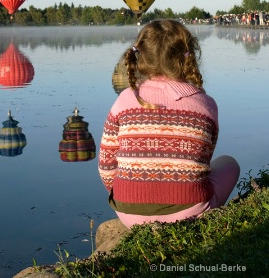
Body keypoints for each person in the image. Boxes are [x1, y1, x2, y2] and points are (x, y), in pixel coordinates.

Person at [98, 19, 240, 229]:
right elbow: (203, 160)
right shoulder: (205, 103)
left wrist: (127, 189)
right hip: (192, 210)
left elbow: (106, 165)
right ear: (189, 56)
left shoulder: (125, 99)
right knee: (230, 163)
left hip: (129, 213)